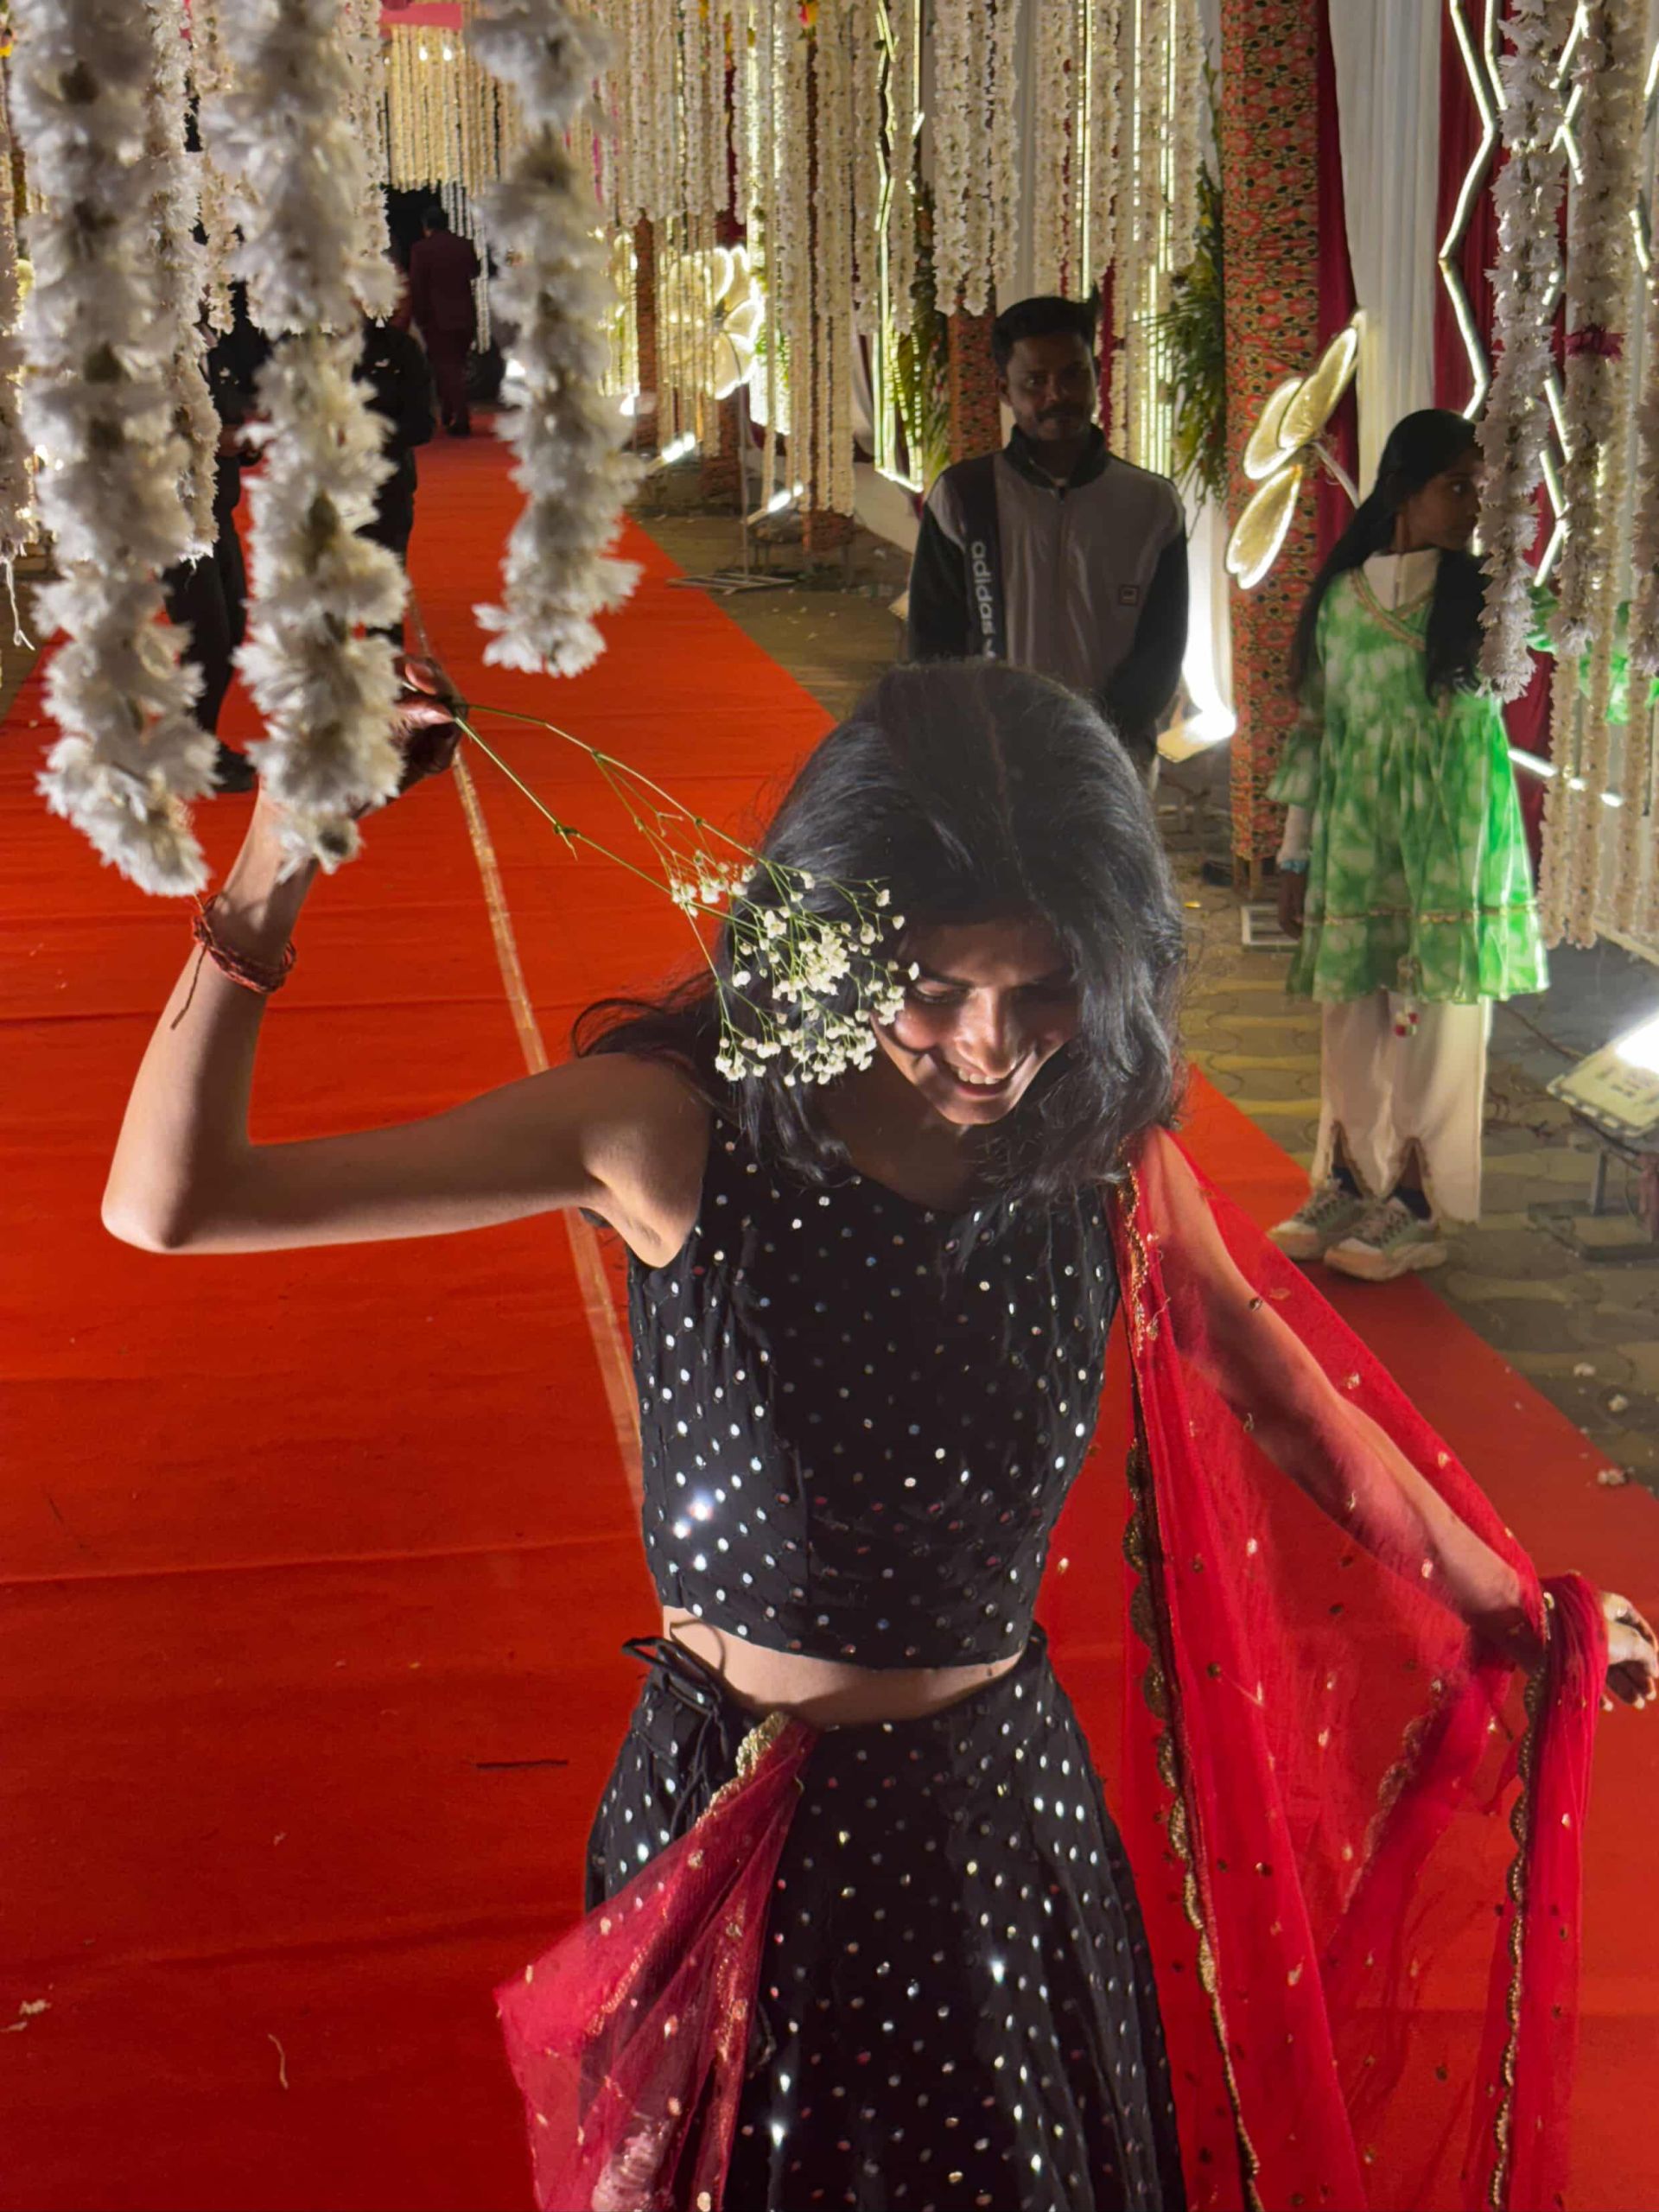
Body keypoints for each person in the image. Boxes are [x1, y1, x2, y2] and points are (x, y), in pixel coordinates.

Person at [100, 659, 1654, 2211]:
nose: (992, 1047)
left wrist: (1513, 1603)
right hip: (739, 1834)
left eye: (1046, 991)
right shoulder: (675, 1132)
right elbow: (172, 1204)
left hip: (994, 1835)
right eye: (939, 989)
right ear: (831, 940)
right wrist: (278, 853)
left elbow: (1287, 1395)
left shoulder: (1094, 1151)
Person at [1269, 410, 1546, 1283]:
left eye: (1481, 491)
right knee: (1351, 1013)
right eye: (1457, 487)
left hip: (1451, 843)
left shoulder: (1489, 601)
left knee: (1436, 1020)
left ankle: (1420, 1202)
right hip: (1355, 841)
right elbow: (1315, 734)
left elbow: (1580, 627)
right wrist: (1295, 856)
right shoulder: (1340, 601)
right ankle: (1351, 1179)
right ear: (1403, 490)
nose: (1472, 508)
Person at [906, 294, 1188, 785]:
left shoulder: (1151, 505)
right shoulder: (964, 498)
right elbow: (933, 646)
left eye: (1073, 375)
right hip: (993, 764)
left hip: (1111, 767)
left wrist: (1095, 740)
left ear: (1096, 376)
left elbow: (1161, 651)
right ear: (1004, 390)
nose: (1058, 395)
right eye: (1035, 382)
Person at [161, 334, 266, 795]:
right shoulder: (155, 357)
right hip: (177, 522)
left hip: (216, 514)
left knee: (231, 634)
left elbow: (227, 410)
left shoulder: (208, 347)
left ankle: (194, 740)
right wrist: (210, 443)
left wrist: (247, 439)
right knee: (208, 639)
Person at [353, 311, 436, 646]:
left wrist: (368, 437)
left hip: (385, 490)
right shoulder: (307, 351)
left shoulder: (399, 348)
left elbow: (422, 424)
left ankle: (384, 669)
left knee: (382, 600)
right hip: (324, 489)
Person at [407, 204, 480, 436]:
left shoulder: (421, 250)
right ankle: (449, 410)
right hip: (465, 315)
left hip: (437, 318)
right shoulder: (463, 245)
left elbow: (417, 286)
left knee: (446, 367)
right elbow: (475, 271)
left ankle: (460, 416)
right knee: (455, 365)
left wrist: (418, 317)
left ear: (426, 226)